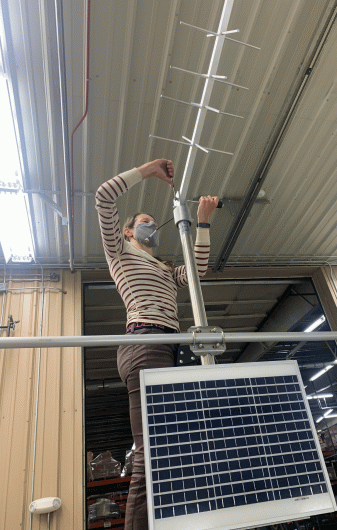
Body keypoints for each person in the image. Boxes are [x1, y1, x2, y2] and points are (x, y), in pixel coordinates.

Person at [95, 158, 218, 530]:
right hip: (145, 342)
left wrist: (204, 224)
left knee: (165, 450)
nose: (151, 225)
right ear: (130, 231)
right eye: (143, 221)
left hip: (166, 347)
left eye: (152, 221)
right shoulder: (120, 251)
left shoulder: (164, 267)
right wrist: (148, 171)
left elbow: (197, 273)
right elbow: (103, 198)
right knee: (150, 453)